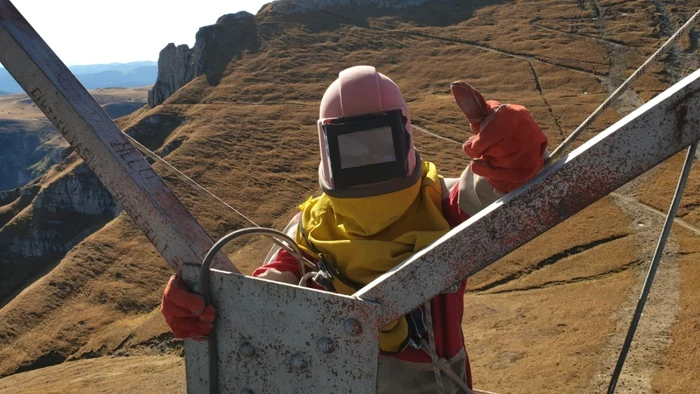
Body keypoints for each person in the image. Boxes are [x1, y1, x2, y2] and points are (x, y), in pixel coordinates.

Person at [161, 65, 548, 393]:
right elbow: (267, 290)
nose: (366, 159)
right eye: (356, 149)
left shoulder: (311, 229)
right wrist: (204, 302)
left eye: (376, 146)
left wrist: (520, 155)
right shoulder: (438, 205)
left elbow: (509, 184)